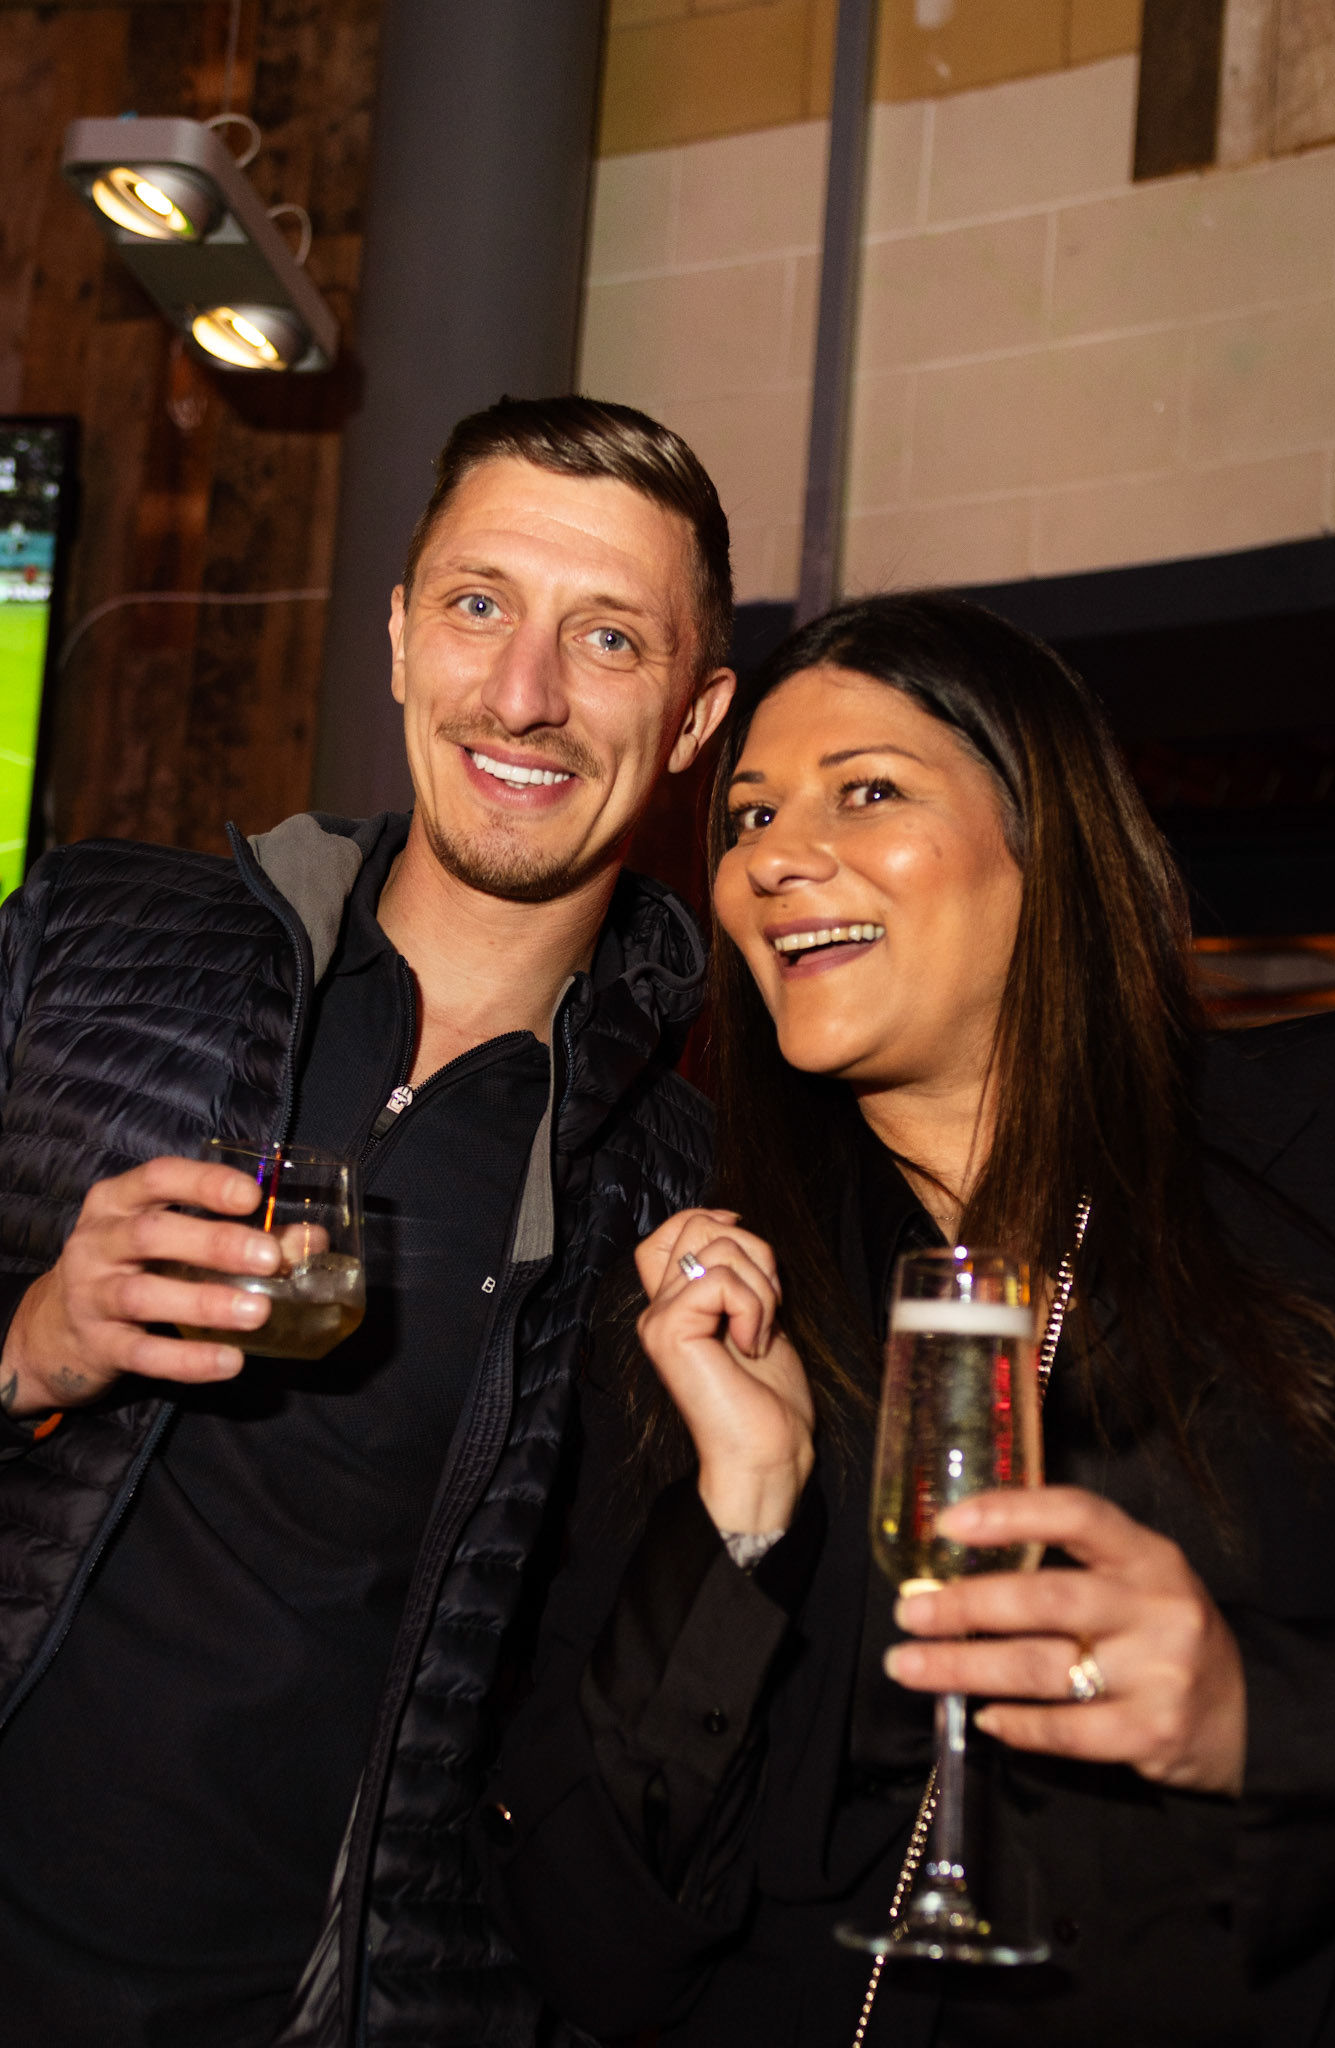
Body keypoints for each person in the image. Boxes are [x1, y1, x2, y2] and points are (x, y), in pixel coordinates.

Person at [483, 593, 1335, 2046]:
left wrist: (1262, 1716)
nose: (775, 856)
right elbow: (591, 1949)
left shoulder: (1324, 1152)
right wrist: (735, 1522)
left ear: (1044, 841)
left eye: (869, 791)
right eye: (749, 817)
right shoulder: (712, 1320)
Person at [0, 395, 737, 2047]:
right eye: (479, 605)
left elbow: (624, 1763)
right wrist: (28, 1344)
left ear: (692, 717)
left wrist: (743, 1525)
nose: (524, 694)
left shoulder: (682, 1199)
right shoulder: (85, 940)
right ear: (400, 638)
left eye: (607, 638)